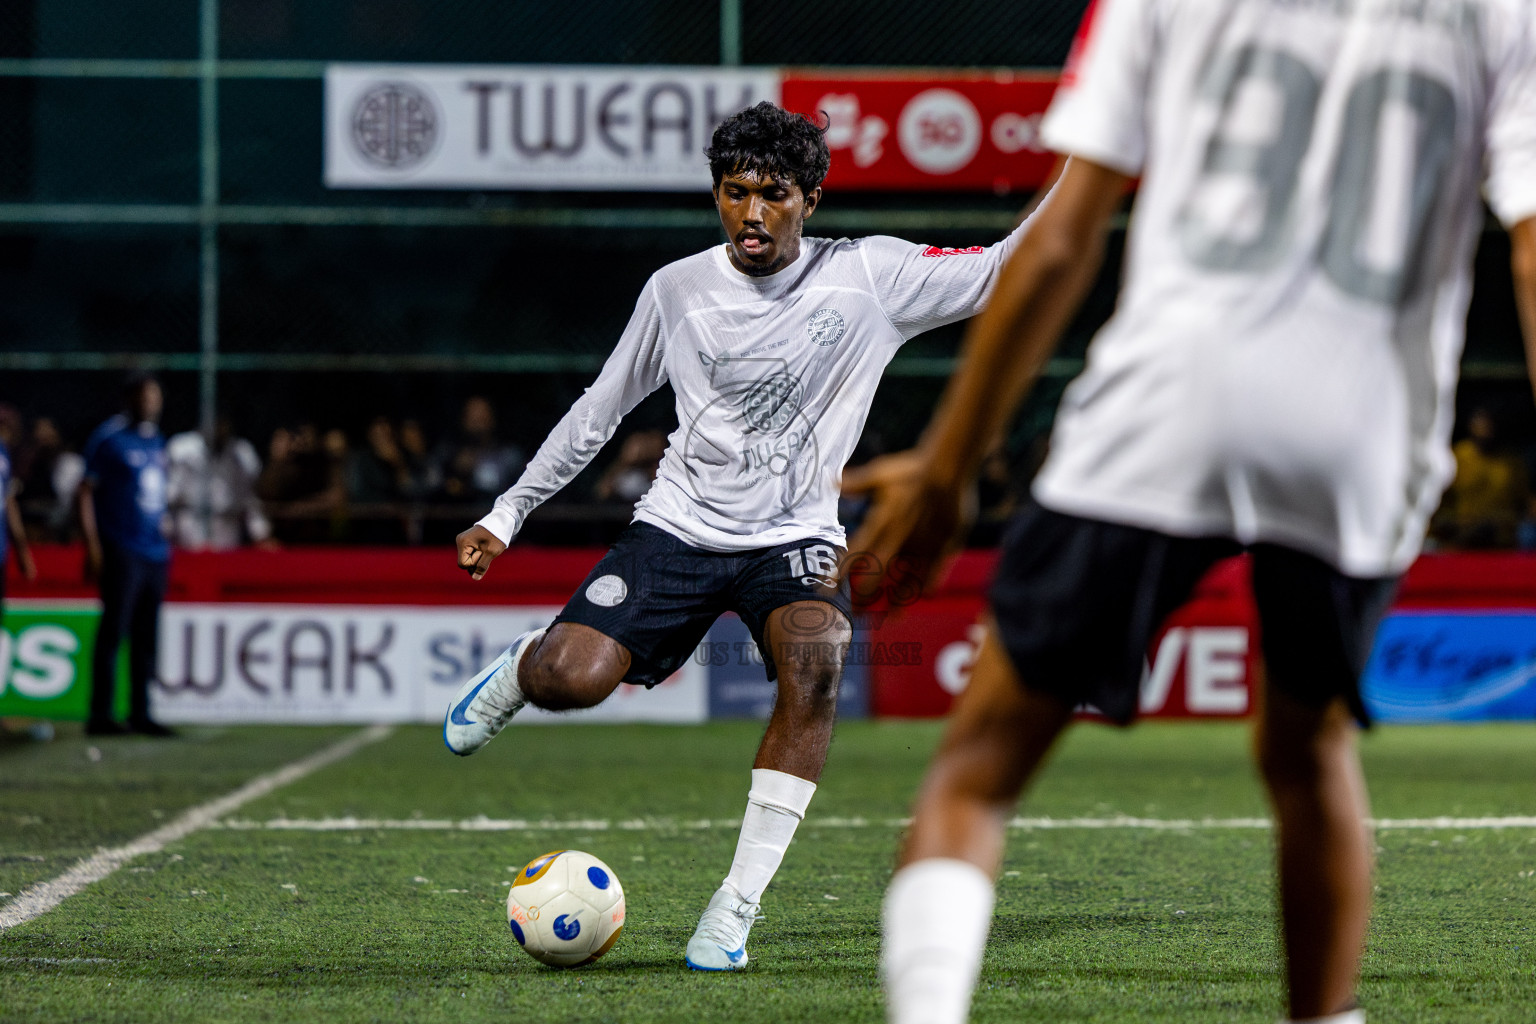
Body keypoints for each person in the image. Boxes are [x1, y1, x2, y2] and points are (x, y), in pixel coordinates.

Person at [845, 2, 1536, 1022]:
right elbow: (1528, 251)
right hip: (1362, 427)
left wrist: (950, 467)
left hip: (1167, 402)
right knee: (1309, 750)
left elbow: (1058, 242)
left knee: (979, 770)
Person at [444, 100, 1033, 972]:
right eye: (733, 193)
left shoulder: (872, 276)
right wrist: (508, 512)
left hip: (794, 535)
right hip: (679, 526)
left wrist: (1086, 174)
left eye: (773, 194)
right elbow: (599, 413)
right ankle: (527, 664)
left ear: (811, 199)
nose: (751, 214)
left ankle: (734, 906)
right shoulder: (676, 289)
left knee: (818, 660)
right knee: (574, 682)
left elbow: (1000, 272)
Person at [78, 374, 175, 737]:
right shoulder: (109, 439)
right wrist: (93, 544)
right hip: (121, 547)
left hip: (155, 550)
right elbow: (85, 491)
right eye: (145, 396)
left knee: (146, 635)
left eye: (155, 396)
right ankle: (100, 713)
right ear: (129, 399)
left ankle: (141, 711)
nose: (151, 403)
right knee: (114, 631)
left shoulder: (156, 441)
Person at [166, 414, 273, 550]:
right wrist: (167, 528)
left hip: (227, 529)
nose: (220, 428)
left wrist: (260, 532)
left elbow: (248, 498)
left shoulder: (241, 453)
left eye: (223, 423)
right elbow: (170, 495)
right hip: (191, 527)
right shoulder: (182, 448)